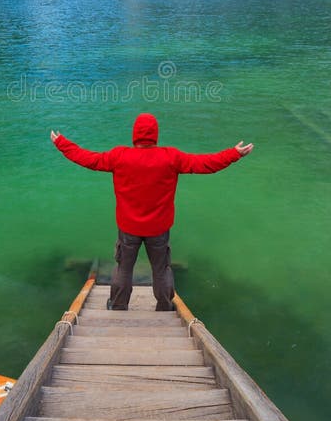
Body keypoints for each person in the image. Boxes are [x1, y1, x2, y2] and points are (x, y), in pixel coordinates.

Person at [50, 113, 254, 311]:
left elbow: (87, 158)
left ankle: (118, 305)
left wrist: (62, 143)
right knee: (161, 269)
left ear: (134, 134)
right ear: (155, 134)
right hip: (158, 228)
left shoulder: (119, 156)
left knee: (124, 268)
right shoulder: (171, 157)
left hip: (128, 228)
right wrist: (234, 154)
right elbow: (205, 164)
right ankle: (165, 306)